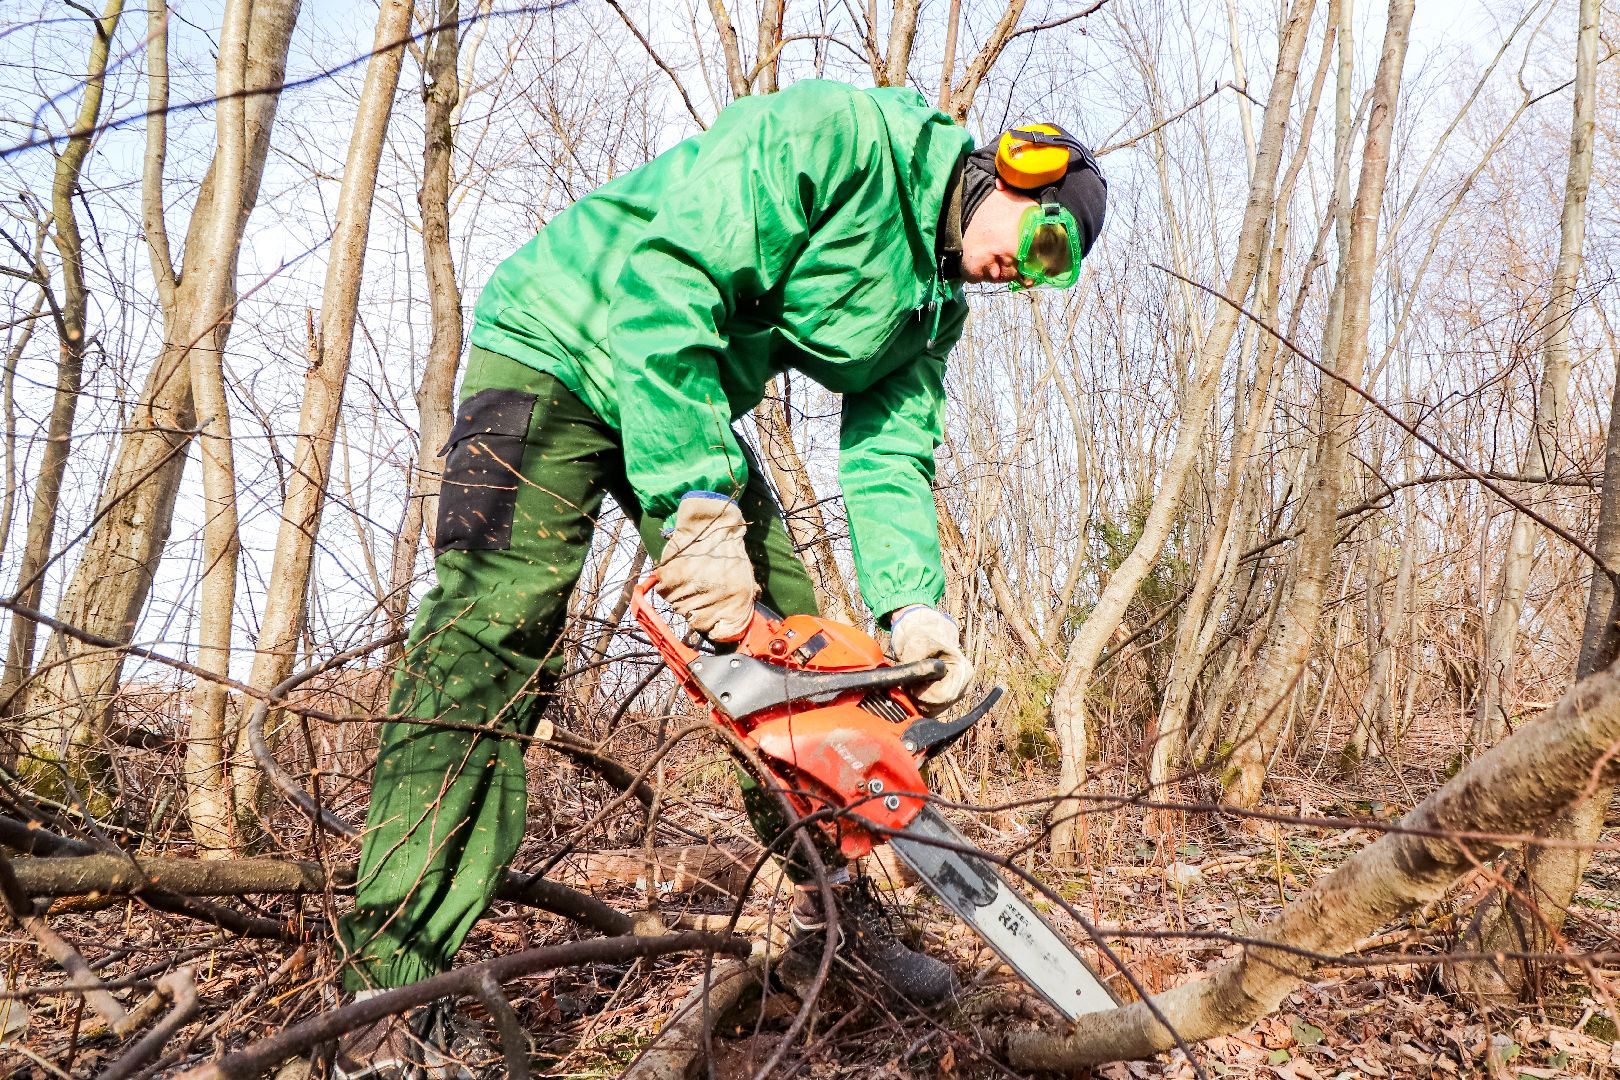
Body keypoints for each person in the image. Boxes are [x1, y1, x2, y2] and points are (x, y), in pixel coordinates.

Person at [332, 80, 1105, 1076]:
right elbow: (666, 282)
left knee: (797, 660)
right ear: (1019, 168)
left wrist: (913, 607)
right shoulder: (841, 138)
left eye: (1049, 275)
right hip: (558, 346)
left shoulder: (930, 307)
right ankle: (388, 991)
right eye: (1041, 243)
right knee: (488, 639)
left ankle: (838, 928)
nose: (1021, 273)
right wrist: (698, 505)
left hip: (681, 397)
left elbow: (887, 457)